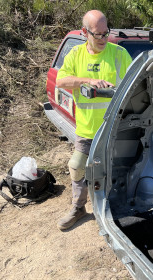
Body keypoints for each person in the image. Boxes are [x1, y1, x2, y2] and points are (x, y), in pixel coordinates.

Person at [56, 10, 132, 230]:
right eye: (97, 34)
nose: (103, 39)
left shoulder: (119, 54)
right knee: (77, 166)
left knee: (115, 169)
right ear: (84, 32)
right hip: (87, 129)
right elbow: (61, 81)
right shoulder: (75, 55)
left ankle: (115, 210)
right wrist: (88, 80)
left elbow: (135, 85)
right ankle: (78, 208)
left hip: (115, 129)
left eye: (105, 33)